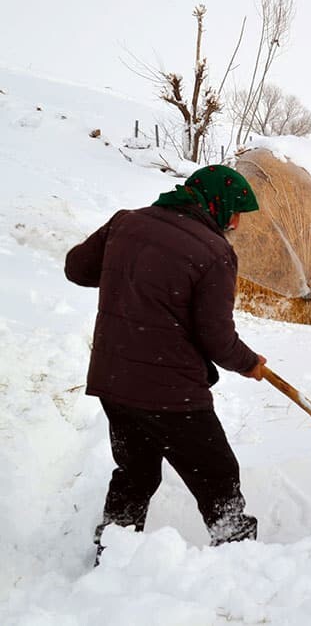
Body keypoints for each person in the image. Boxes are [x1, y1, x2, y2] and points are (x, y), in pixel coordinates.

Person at [65, 164, 267, 565]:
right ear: (218, 205)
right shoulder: (214, 253)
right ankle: (238, 556)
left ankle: (113, 553)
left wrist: (130, 269)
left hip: (115, 381)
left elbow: (77, 268)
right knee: (217, 473)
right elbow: (216, 338)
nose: (237, 224)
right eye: (236, 212)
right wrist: (249, 363)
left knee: (135, 472)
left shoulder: (126, 223)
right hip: (170, 392)